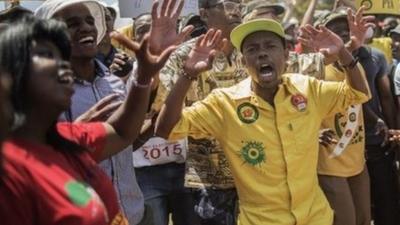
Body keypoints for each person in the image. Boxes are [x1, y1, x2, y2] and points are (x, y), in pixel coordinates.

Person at [155, 18, 370, 225]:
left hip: (316, 217)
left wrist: (344, 53)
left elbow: (357, 94)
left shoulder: (308, 90)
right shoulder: (224, 104)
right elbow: (167, 128)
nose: (262, 53)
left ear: (286, 54)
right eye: (252, 49)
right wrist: (188, 74)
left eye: (270, 46)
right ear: (242, 61)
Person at [0, 15, 174, 225]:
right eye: (46, 54)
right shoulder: (10, 172)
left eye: (62, 55)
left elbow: (122, 132)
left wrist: (144, 76)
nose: (62, 65)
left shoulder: (69, 140)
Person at [142, 1, 244, 224]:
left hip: (255, 176)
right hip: (209, 182)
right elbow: (155, 105)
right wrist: (154, 64)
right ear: (204, 14)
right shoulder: (184, 55)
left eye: (238, 3)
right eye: (226, 3)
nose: (235, 9)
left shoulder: (252, 49)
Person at [313, 7, 373, 225]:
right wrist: (315, 131)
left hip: (358, 162)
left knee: (364, 220)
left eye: (345, 29)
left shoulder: (354, 67)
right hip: (330, 165)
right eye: (335, 30)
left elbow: (361, 100)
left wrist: (378, 121)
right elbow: (296, 109)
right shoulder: (315, 71)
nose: (342, 34)